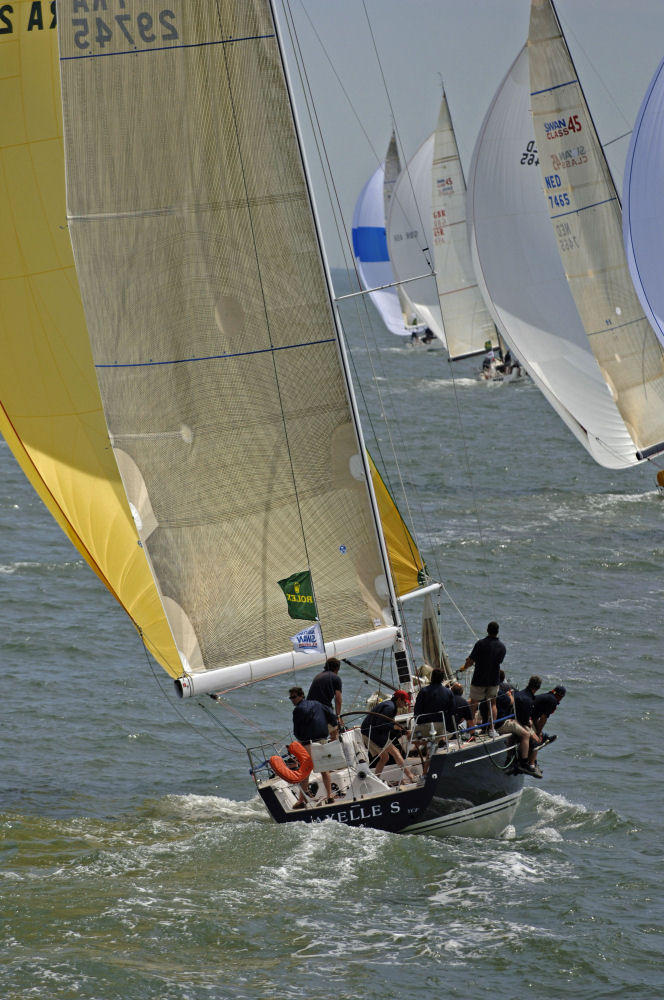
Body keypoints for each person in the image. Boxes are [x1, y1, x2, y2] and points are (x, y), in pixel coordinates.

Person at [289, 687, 339, 806]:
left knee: (305, 771)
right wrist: (334, 728)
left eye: (294, 697)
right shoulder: (318, 704)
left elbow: (297, 731)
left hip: (308, 743)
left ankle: (301, 800)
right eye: (290, 698)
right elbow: (332, 717)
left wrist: (300, 741)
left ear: (301, 696)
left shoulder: (298, 710)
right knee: (324, 769)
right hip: (322, 741)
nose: (292, 700)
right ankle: (329, 795)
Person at [360, 690, 416, 783]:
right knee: (396, 752)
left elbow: (386, 724)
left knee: (385, 757)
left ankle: (376, 781)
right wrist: (394, 726)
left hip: (370, 731)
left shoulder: (390, 705)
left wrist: (401, 730)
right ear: (399, 699)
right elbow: (380, 724)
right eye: (405, 702)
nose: (406, 704)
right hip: (372, 732)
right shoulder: (390, 707)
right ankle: (411, 777)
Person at [460, 621, 506, 732]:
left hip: (479, 679)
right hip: (494, 680)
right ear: (497, 632)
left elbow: (471, 661)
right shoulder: (502, 647)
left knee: (474, 703)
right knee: (493, 703)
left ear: (487, 630)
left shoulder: (480, 644)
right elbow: (498, 661)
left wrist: (464, 667)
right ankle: (491, 729)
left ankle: (470, 730)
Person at [412, 668, 455, 769]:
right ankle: (428, 748)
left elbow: (417, 711)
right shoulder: (448, 692)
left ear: (431, 678)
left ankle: (421, 745)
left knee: (410, 736)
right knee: (433, 744)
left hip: (424, 726)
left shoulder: (423, 691)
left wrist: (419, 722)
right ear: (442, 679)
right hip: (440, 726)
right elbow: (452, 711)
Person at [512, 675, 543, 777]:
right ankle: (528, 763)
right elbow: (525, 722)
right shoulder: (528, 700)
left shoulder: (519, 693)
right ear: (538, 688)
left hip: (513, 719)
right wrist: (534, 735)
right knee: (536, 741)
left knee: (535, 735)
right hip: (519, 723)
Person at [307, 657, 343, 727]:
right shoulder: (336, 678)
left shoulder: (318, 676)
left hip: (308, 709)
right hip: (322, 709)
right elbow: (338, 699)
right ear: (337, 669)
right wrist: (338, 716)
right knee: (334, 731)